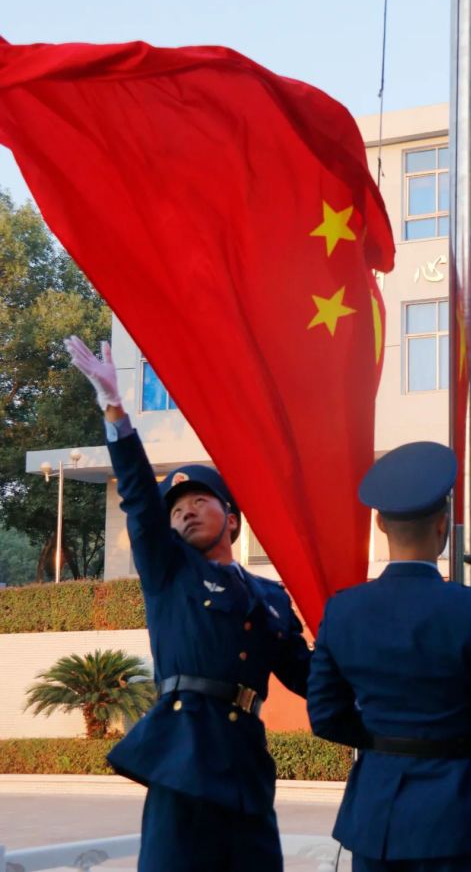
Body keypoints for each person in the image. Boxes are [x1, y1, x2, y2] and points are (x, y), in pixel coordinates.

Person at [65, 335, 310, 872]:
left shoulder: (268, 594)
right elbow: (136, 496)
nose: (186, 513)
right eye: (176, 509)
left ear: (232, 517)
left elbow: (306, 675)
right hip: (184, 755)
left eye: (201, 501)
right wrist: (116, 411)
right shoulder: (168, 570)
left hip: (245, 761)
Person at [307, 441, 471, 872]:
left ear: (378, 523)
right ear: (444, 524)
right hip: (456, 817)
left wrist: (384, 737)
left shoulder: (342, 610)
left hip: (377, 818)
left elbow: (324, 715)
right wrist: (458, 723)